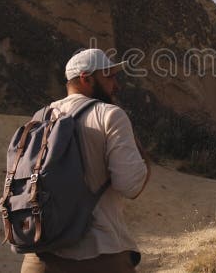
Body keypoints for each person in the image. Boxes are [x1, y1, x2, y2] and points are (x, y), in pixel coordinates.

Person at [21, 48, 151, 273]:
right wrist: (145, 158)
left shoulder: (40, 116)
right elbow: (130, 186)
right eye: (109, 76)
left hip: (39, 254)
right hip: (98, 253)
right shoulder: (110, 114)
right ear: (86, 78)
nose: (116, 85)